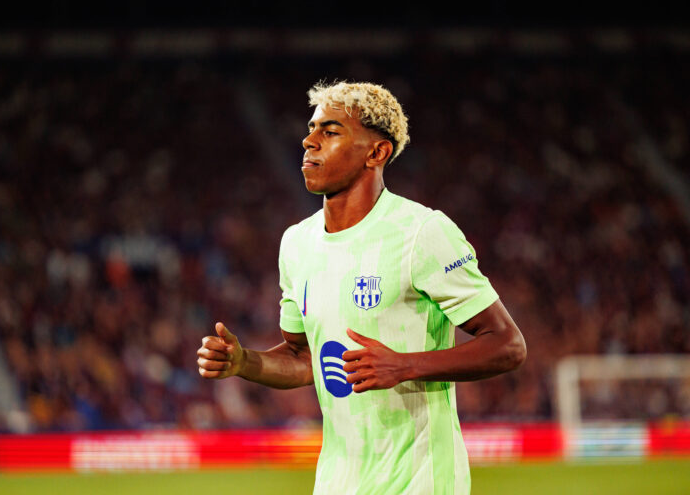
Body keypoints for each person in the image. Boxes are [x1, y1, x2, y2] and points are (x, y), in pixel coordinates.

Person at [197, 81, 526, 494]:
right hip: (338, 483)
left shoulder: (422, 233)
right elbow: (305, 358)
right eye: (311, 129)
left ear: (377, 152)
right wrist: (244, 362)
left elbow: (508, 344)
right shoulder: (297, 244)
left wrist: (406, 365)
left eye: (330, 132)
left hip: (420, 483)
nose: (308, 140)